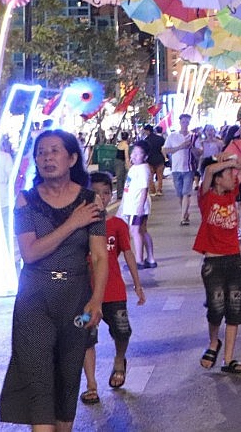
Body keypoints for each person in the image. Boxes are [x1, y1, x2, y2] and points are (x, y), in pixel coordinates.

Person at [0, 129, 108, 431]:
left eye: (54, 151)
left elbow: (99, 256)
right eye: (41, 152)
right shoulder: (26, 201)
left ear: (72, 158)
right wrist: (72, 223)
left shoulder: (91, 201)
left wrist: (96, 299)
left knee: (68, 374)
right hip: (34, 297)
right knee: (38, 378)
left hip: (76, 297)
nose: (47, 157)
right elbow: (30, 252)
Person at [80, 173, 145, 405]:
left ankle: (119, 360)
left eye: (105, 193)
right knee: (86, 338)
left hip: (114, 290)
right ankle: (91, 385)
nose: (100, 197)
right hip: (85, 293)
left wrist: (137, 284)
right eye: (95, 192)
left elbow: (127, 253)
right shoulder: (79, 225)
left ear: (111, 195)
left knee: (122, 331)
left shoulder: (117, 225)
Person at [196, 154, 241, 374]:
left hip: (234, 258)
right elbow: (208, 172)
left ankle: (228, 359)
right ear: (218, 179)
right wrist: (225, 162)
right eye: (228, 174)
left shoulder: (232, 194)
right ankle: (213, 342)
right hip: (213, 261)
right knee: (216, 308)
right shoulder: (206, 198)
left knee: (234, 309)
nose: (233, 176)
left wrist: (233, 163)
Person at [121, 141, 156, 269]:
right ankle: (150, 258)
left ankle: (139, 260)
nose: (134, 155)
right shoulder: (136, 168)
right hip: (135, 205)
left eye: (138, 153)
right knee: (142, 231)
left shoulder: (142, 169)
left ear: (145, 156)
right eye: (133, 152)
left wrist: (140, 206)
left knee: (135, 231)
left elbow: (144, 189)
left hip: (136, 206)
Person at [163, 114, 197, 226]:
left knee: (186, 193)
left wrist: (192, 147)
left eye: (187, 122)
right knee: (180, 194)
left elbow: (199, 152)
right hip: (176, 169)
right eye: (183, 122)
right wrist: (180, 147)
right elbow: (165, 150)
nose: (185, 124)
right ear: (180, 122)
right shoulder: (173, 136)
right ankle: (185, 212)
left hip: (189, 169)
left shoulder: (193, 136)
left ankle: (183, 217)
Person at [142, 125, 166, 197]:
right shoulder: (160, 139)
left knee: (150, 176)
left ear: (147, 131)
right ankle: (159, 190)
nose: (144, 132)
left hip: (150, 160)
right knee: (160, 176)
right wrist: (165, 158)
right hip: (159, 159)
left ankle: (153, 191)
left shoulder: (146, 140)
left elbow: (144, 152)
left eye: (145, 131)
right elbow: (163, 149)